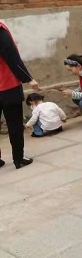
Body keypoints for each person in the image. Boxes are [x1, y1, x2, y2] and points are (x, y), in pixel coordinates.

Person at [0, 21, 38, 169]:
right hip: (7, 85)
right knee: (14, 124)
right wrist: (27, 78)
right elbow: (11, 56)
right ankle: (18, 158)